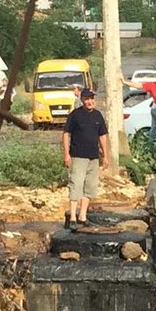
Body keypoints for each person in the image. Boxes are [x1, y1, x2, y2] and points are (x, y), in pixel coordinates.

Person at [62, 88, 109, 230]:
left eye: (91, 99)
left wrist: (105, 155)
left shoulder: (98, 116)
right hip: (78, 155)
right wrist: (66, 154)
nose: (89, 101)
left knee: (90, 187)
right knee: (76, 184)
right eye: (86, 99)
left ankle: (82, 216)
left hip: (93, 156)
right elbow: (65, 134)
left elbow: (102, 136)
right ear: (82, 100)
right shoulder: (75, 115)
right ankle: (73, 218)